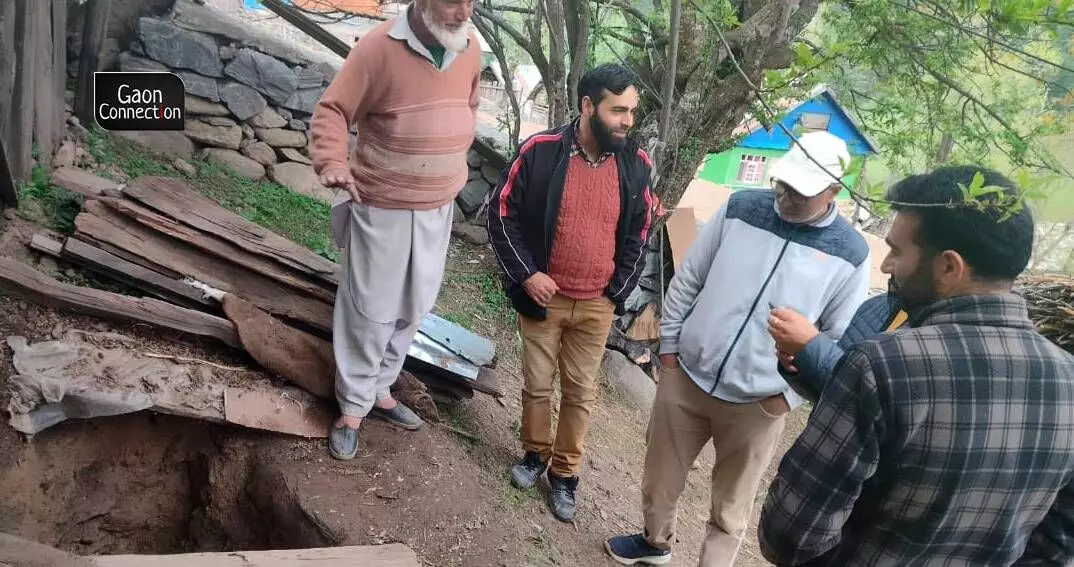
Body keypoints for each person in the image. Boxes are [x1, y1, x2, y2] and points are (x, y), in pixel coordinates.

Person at [759, 166, 1074, 566]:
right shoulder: (1069, 381)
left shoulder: (882, 366)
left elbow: (788, 536)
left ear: (948, 267)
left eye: (897, 250)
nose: (887, 265)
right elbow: (1057, 546)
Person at [604, 130, 872, 567]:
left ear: (833, 191)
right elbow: (690, 277)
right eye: (782, 185)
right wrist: (670, 350)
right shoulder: (740, 208)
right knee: (659, 479)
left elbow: (837, 342)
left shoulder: (851, 253)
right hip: (687, 376)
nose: (785, 198)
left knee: (730, 507)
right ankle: (655, 544)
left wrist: (787, 396)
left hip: (759, 402)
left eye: (801, 194)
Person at [308, 0, 481, 460]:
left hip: (436, 208)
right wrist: (332, 161)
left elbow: (470, 105)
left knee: (414, 304)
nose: (464, 12)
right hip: (381, 204)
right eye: (452, 1)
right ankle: (352, 409)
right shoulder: (378, 48)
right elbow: (332, 111)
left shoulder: (471, 48)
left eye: (472, 0)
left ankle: (382, 390)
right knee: (370, 310)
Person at [487, 63, 656, 523]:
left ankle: (564, 475)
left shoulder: (635, 164)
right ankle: (533, 456)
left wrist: (614, 293)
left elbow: (641, 231)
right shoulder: (542, 151)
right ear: (587, 106)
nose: (627, 121)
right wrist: (527, 274)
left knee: (580, 394)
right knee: (537, 386)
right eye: (617, 110)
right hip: (545, 298)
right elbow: (500, 211)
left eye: (632, 112)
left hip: (597, 304)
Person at [768, 291, 906, 403]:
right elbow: (832, 391)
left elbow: (884, 407)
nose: (885, 266)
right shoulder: (876, 305)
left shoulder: (924, 339)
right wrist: (800, 362)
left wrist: (812, 346)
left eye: (898, 254)